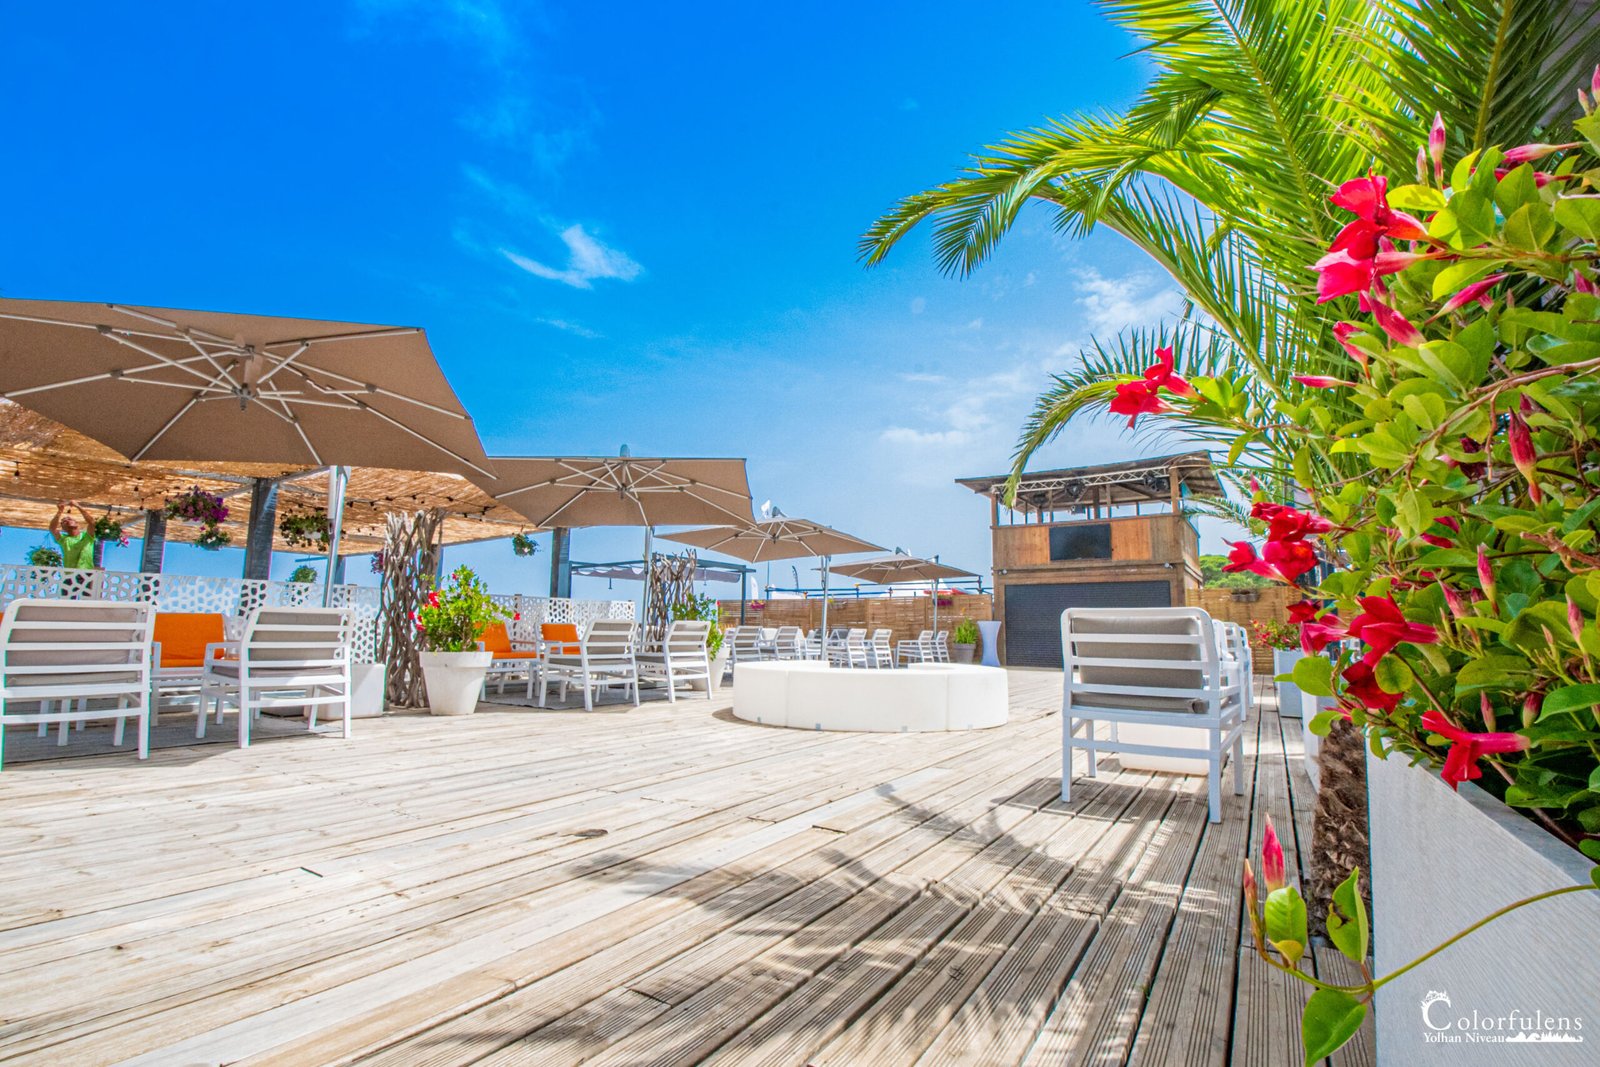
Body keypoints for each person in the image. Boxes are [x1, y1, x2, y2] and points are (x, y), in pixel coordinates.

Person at [50, 500, 97, 570]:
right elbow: (52, 528)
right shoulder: (63, 539)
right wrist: (60, 511)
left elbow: (92, 523)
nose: (67, 521)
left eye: (69, 519)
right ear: (63, 528)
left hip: (86, 574)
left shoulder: (86, 536)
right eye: (63, 522)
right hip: (70, 575)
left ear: (77, 523)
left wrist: (78, 506)